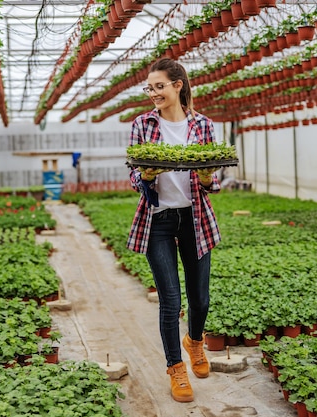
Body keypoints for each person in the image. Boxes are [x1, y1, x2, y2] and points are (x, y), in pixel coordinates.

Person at [126, 57, 221, 403]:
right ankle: (176, 369)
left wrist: (209, 178)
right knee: (170, 301)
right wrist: (146, 175)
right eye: (149, 88)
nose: (153, 93)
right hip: (159, 221)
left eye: (159, 86)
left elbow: (212, 181)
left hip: (195, 218)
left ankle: (195, 341)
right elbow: (134, 177)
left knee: (200, 299)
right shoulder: (142, 125)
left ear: (177, 86)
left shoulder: (204, 126)